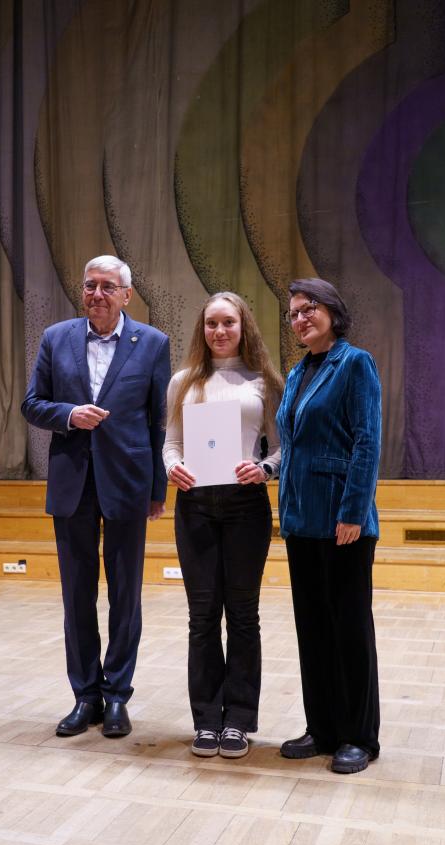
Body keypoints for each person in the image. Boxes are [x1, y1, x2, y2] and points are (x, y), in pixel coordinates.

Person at [21, 255, 171, 739]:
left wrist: (157, 489)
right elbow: (32, 404)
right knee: (76, 596)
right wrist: (69, 414)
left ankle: (117, 696)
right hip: (73, 485)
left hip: (128, 482)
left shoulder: (153, 343)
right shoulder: (56, 338)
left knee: (125, 596)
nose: (97, 294)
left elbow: (159, 421)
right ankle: (85, 695)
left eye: (108, 286)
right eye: (90, 285)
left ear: (127, 295)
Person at [163, 291, 283, 759]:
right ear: (202, 328)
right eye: (211, 323)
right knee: (202, 616)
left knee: (244, 614)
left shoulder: (264, 382)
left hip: (245, 506)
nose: (219, 331)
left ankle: (239, 720)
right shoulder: (183, 382)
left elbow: (282, 447)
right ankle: (207, 721)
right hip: (195, 505)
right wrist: (172, 467)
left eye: (228, 322)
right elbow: (171, 443)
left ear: (243, 325)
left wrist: (265, 468)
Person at [276, 278, 382, 774]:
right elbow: (293, 444)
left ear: (332, 312)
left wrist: (353, 512)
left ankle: (358, 736)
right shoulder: (298, 372)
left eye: (309, 308)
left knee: (349, 631)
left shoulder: (355, 363)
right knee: (313, 629)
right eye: (294, 313)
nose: (300, 319)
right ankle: (321, 728)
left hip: (342, 520)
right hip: (301, 520)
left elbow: (366, 441)